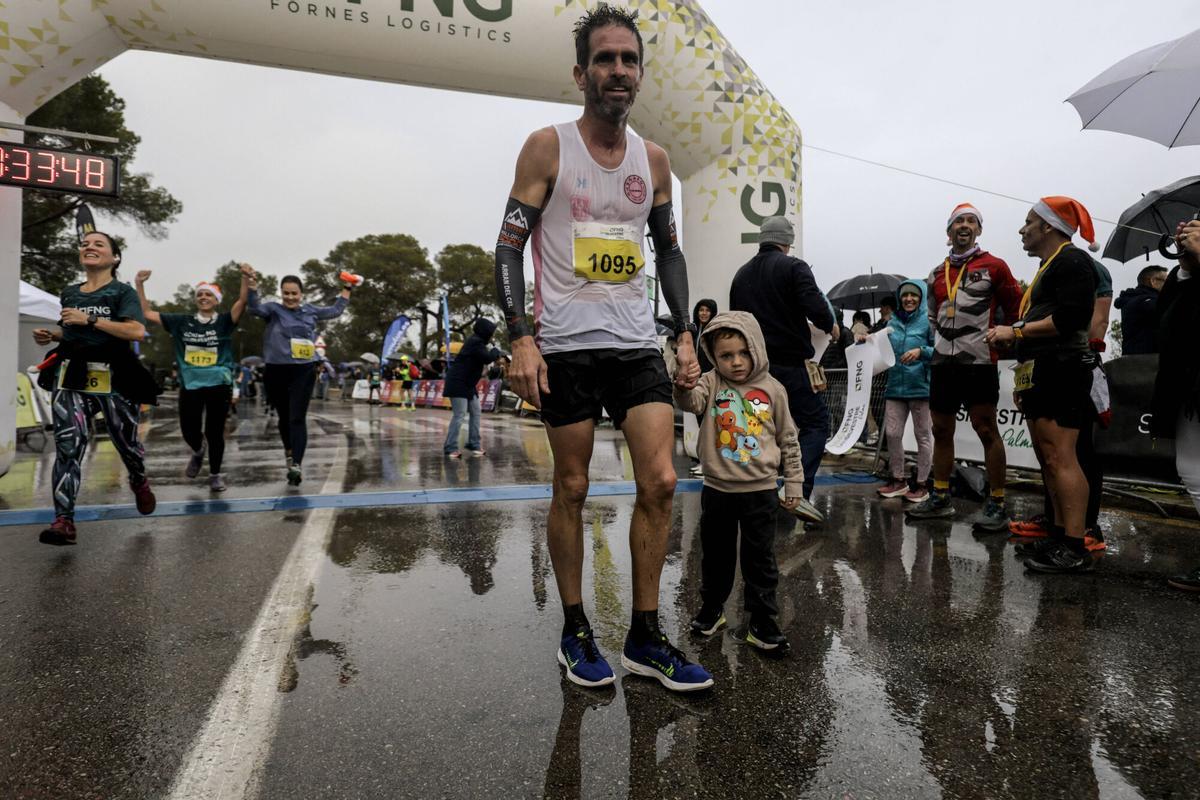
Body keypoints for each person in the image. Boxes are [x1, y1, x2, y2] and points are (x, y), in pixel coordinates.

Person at [493, 3, 712, 692]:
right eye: (605, 59)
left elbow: (670, 254)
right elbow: (507, 246)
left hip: (632, 343)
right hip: (564, 345)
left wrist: (683, 332)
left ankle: (645, 637)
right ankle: (575, 627)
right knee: (574, 485)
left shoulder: (655, 160)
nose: (617, 70)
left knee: (662, 481)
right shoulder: (548, 146)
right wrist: (521, 339)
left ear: (640, 73)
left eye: (628, 59)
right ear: (581, 71)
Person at [673, 312, 804, 650]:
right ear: (714, 357)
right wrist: (683, 386)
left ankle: (761, 620)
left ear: (756, 349)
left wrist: (794, 484)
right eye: (726, 356)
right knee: (715, 556)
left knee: (760, 559)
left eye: (743, 353)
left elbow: (789, 440)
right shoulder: (712, 382)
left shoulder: (774, 390)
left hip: (761, 491)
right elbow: (692, 402)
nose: (736, 362)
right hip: (717, 489)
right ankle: (712, 608)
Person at [987, 196, 1099, 574]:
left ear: (1048, 226)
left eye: (1028, 222)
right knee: (1047, 456)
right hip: (1042, 369)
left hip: (1063, 368)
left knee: (1061, 456)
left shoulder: (1072, 261)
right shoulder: (1049, 266)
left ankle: (1074, 545)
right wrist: (1022, 363)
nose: (1022, 229)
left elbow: (1069, 319)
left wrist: (1015, 329)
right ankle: (1057, 534)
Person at [32, 231, 159, 545]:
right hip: (72, 370)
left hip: (114, 373)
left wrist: (89, 320)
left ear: (114, 258)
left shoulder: (122, 292)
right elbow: (71, 330)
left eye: (98, 244)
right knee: (68, 444)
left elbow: (136, 331)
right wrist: (54, 336)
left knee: (126, 444)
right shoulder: (70, 291)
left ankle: (139, 479)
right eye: (84, 244)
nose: (89, 247)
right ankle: (64, 520)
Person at [908, 203, 1022, 530]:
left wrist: (1011, 336)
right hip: (943, 363)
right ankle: (940, 497)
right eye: (959, 221)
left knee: (986, 430)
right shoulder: (935, 274)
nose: (965, 225)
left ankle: (997, 503)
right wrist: (936, 340)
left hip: (980, 362)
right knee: (941, 430)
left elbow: (1015, 309)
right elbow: (930, 315)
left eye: (971, 221)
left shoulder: (995, 266)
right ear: (949, 231)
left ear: (979, 230)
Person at [729, 215, 837, 502]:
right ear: (787, 242)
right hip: (789, 368)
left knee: (759, 429)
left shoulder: (741, 275)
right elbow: (815, 306)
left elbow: (736, 322)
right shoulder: (793, 267)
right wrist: (831, 324)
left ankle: (752, 490)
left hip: (753, 370)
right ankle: (796, 491)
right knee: (815, 424)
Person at [135, 264, 255, 492]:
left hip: (219, 384)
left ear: (216, 300)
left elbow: (242, 302)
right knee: (189, 429)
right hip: (190, 384)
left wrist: (245, 278)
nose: (203, 297)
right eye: (199, 294)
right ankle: (198, 451)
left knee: (214, 430)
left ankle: (216, 475)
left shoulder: (224, 322)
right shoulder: (181, 321)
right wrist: (139, 285)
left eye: (208, 294)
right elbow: (148, 313)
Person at [248, 273, 352, 485]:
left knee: (297, 417)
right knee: (284, 418)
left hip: (303, 370)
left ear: (301, 294)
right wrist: (252, 288)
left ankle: (296, 464)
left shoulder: (310, 310)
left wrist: (347, 287)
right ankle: (289, 451)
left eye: (294, 293)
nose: (290, 297)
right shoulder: (273, 310)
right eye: (286, 293)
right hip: (276, 370)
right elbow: (254, 308)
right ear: (281, 293)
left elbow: (336, 310)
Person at [1155, 220, 1200, 590]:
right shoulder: (1184, 274)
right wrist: (1186, 266)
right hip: (1188, 385)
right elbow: (1165, 318)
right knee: (1193, 471)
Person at [876, 281, 935, 503]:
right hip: (894, 388)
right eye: (904, 295)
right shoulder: (893, 321)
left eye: (914, 295)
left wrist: (921, 351)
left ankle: (922, 484)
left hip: (920, 387)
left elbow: (939, 348)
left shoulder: (928, 321)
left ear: (921, 298)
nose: (908, 299)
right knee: (892, 434)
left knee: (923, 437)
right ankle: (898, 480)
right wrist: (865, 340)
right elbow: (878, 343)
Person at [443, 318, 502, 458]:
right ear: (485, 332)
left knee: (476, 412)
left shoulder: (478, 342)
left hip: (468, 384)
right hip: (458, 382)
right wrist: (495, 350)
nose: (492, 336)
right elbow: (487, 358)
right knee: (459, 415)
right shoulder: (475, 342)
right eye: (491, 332)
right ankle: (450, 447)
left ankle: (473, 443)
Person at [1115, 265, 1167, 355]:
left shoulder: (1133, 300)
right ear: (1153, 281)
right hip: (1148, 361)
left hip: (1135, 358)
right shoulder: (1146, 302)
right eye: (1166, 281)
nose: (1168, 284)